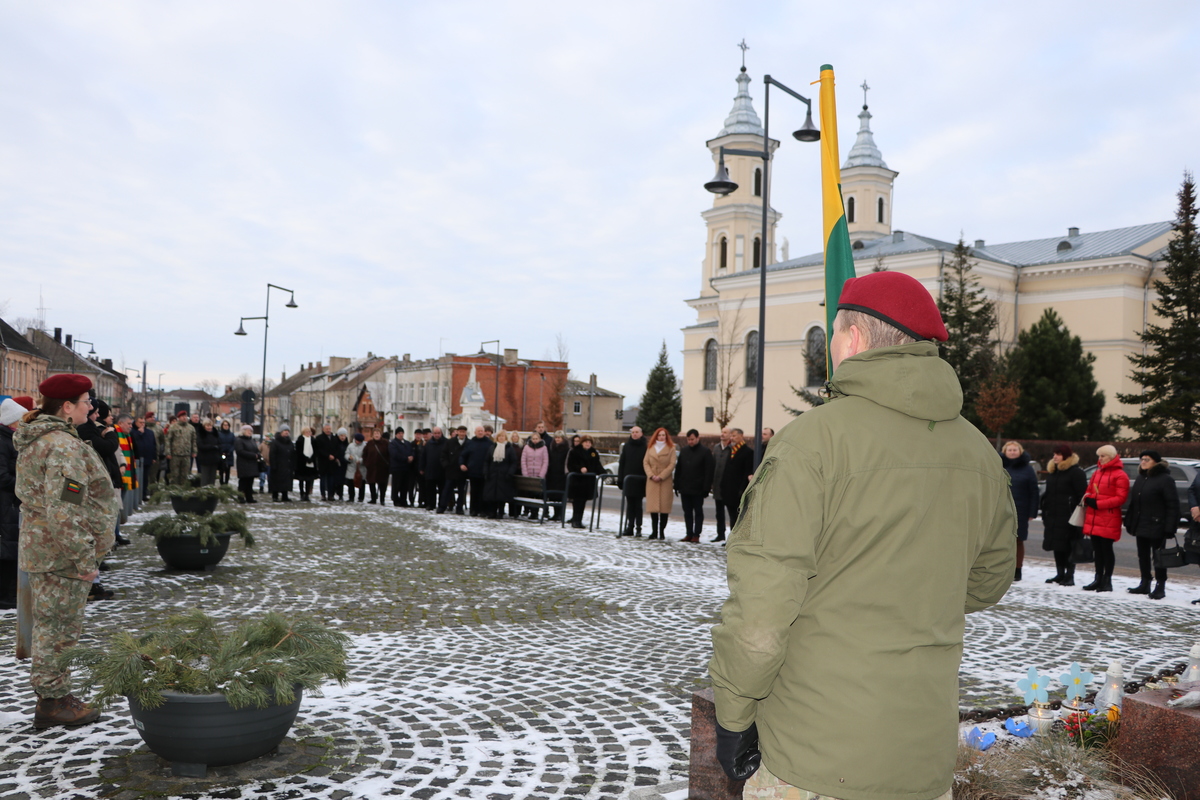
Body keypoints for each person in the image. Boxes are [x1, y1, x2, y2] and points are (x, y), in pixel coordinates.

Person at [709, 270, 1016, 800]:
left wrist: (733, 716)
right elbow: (988, 582)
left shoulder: (812, 443)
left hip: (815, 755)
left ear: (851, 339)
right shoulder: (979, 453)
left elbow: (761, 616)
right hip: (922, 753)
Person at [15, 374, 120, 728]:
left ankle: (56, 694)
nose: (91, 407)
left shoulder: (48, 439)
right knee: (58, 630)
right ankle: (52, 701)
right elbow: (65, 509)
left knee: (53, 626)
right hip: (61, 555)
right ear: (66, 407)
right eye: (86, 401)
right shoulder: (61, 446)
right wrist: (84, 559)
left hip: (49, 550)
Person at [1124, 450, 1179, 599]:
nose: (1143, 462)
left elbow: (1172, 505)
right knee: (1143, 556)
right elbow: (1134, 503)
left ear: (1156, 462)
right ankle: (1145, 582)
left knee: (1159, 557)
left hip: (1157, 525)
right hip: (1141, 523)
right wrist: (1129, 521)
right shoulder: (1142, 478)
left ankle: (1160, 586)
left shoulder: (1165, 479)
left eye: (1147, 459)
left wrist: (1170, 527)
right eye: (1142, 459)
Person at [1082, 444, 1129, 592]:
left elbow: (1120, 498)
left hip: (1108, 517)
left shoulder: (1120, 475)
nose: (1100, 459)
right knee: (1097, 549)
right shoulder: (1097, 473)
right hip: (1094, 516)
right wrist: (1088, 499)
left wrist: (1098, 504)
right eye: (1099, 456)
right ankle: (1098, 578)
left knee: (1106, 549)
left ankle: (1107, 580)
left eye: (1103, 456)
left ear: (1111, 457)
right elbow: (1089, 490)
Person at [1040, 444, 1087, 586]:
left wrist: (1076, 512)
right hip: (1053, 515)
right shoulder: (1053, 473)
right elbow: (1048, 494)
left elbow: (1082, 495)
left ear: (1066, 456)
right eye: (1054, 454)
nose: (1055, 457)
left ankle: (1069, 575)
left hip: (1069, 516)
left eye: (1058, 454)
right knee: (1057, 545)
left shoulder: (1076, 472)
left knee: (1069, 545)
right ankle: (1060, 573)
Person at [0, 397, 29, 609]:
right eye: (22, 420)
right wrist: (22, 486)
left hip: (11, 501)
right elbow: (2, 475)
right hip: (6, 502)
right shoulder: (4, 441)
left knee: (12, 548)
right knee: (7, 549)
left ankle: (9, 593)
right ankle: (4, 596)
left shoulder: (11, 438)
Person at [1000, 441, 1039, 581]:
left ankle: (1017, 570)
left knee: (1018, 541)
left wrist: (1032, 512)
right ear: (1004, 451)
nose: (1012, 452)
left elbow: (1034, 491)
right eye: (1009, 449)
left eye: (1015, 449)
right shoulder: (999, 466)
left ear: (1020, 451)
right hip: (1000, 510)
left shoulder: (1028, 469)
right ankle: (1001, 570)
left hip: (1020, 510)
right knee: (1000, 541)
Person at [675, 429, 715, 544]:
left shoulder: (705, 451)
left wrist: (706, 488)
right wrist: (677, 484)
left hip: (698, 488)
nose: (690, 441)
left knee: (698, 512)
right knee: (687, 512)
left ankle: (696, 534)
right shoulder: (684, 451)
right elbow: (679, 469)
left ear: (698, 438)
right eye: (688, 439)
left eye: (692, 439)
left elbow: (709, 471)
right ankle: (689, 533)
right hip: (685, 487)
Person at [643, 428, 677, 541]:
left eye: (664, 435)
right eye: (659, 435)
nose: (662, 437)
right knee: (653, 507)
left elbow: (672, 464)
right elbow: (646, 462)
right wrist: (651, 475)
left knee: (664, 508)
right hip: (652, 480)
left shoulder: (671, 448)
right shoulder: (650, 447)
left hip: (665, 480)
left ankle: (661, 531)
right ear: (656, 436)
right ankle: (654, 531)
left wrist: (661, 476)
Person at [719, 429, 754, 532]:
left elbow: (746, 472)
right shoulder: (731, 450)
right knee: (732, 517)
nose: (731, 438)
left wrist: (742, 489)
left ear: (741, 436)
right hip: (729, 491)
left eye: (734, 436)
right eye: (731, 436)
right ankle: (732, 538)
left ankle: (737, 540)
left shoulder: (748, 452)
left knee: (738, 518)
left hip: (738, 491)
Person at [566, 435, 604, 528]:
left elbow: (597, 465)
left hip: (588, 482)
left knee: (583, 501)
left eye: (589, 442)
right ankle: (575, 520)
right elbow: (570, 465)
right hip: (577, 481)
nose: (588, 444)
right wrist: (580, 469)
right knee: (577, 501)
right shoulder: (575, 451)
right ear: (582, 442)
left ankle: (579, 520)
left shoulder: (593, 452)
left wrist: (603, 472)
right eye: (586, 442)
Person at [617, 426, 647, 537]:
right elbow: (622, 463)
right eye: (633, 432)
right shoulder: (627, 446)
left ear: (641, 433)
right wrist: (620, 479)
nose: (634, 434)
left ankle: (639, 528)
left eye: (636, 432)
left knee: (638, 505)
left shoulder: (645, 446)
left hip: (640, 480)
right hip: (628, 479)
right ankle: (630, 527)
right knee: (630, 505)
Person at [483, 431, 520, 519]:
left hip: (504, 476)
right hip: (493, 475)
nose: (501, 438)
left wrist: (510, 473)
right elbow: (487, 461)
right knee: (492, 495)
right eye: (499, 436)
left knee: (501, 496)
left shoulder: (509, 448)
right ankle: (492, 512)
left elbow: (513, 462)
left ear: (506, 438)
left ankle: (500, 512)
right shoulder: (492, 447)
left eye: (503, 436)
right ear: (497, 438)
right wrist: (486, 472)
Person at [459, 427, 492, 516]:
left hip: (485, 472)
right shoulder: (470, 443)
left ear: (484, 432)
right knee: (474, 492)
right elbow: (463, 455)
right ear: (475, 432)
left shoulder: (489, 443)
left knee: (483, 492)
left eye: (482, 431)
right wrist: (462, 464)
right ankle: (473, 510)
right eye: (478, 431)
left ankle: (483, 510)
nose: (480, 432)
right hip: (473, 471)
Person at [520, 431, 549, 519]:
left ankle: (535, 513)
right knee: (530, 494)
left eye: (536, 439)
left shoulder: (544, 448)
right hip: (529, 475)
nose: (535, 440)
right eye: (533, 439)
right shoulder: (526, 447)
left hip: (538, 475)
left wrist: (541, 474)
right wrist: (525, 473)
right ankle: (530, 511)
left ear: (539, 439)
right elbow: (523, 461)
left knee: (537, 495)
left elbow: (545, 462)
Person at [164, 409, 196, 485]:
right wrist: (168, 452)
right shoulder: (173, 427)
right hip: (175, 454)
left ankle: (183, 490)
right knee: (175, 475)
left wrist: (194, 451)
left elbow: (193, 440)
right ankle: (174, 491)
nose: (184, 418)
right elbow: (168, 440)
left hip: (186, 454)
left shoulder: (191, 428)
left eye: (185, 416)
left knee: (185, 474)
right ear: (179, 417)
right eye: (182, 416)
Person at [440, 427, 468, 514]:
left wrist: (467, 466)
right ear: (457, 432)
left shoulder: (469, 443)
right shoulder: (450, 442)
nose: (462, 434)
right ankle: (442, 507)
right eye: (460, 432)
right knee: (447, 490)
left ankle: (459, 508)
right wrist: (446, 465)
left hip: (463, 471)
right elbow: (443, 455)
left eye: (463, 432)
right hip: (451, 470)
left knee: (461, 491)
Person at [711, 427, 732, 543]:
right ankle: (720, 534)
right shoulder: (716, 448)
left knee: (731, 512)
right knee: (719, 512)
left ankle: (731, 535)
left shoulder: (732, 448)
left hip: (728, 486)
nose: (722, 434)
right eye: (722, 432)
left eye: (725, 433)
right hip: (717, 485)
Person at [130, 417, 158, 501]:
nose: (142, 424)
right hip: (137, 459)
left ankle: (144, 494)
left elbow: (153, 445)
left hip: (147, 458)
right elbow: (134, 441)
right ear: (135, 423)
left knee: (145, 478)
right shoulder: (133, 432)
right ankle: (136, 496)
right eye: (140, 422)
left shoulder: (149, 432)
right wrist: (139, 433)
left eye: (143, 422)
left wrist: (154, 456)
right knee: (138, 478)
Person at [420, 426, 447, 511]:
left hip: (442, 471)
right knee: (430, 489)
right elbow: (423, 456)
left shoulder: (446, 443)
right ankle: (430, 504)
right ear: (432, 434)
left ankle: (441, 505)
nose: (437, 435)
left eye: (438, 433)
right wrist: (421, 468)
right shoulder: (428, 443)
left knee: (442, 490)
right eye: (435, 433)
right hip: (430, 470)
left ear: (441, 433)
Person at [268, 424, 296, 502]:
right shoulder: (275, 442)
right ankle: (275, 496)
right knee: (276, 481)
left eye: (288, 431)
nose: (286, 433)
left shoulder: (289, 442)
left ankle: (285, 495)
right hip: (278, 465)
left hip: (287, 465)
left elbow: (293, 453)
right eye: (285, 431)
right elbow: (272, 454)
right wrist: (273, 465)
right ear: (281, 432)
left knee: (286, 481)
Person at [233, 424, 260, 503]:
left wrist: (258, 454)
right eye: (248, 431)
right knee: (243, 482)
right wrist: (253, 455)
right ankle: (240, 497)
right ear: (243, 431)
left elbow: (256, 449)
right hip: (243, 464)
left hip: (252, 464)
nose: (250, 432)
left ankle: (249, 497)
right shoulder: (239, 440)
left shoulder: (252, 440)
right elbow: (240, 451)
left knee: (250, 481)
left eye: (251, 431)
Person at [389, 427, 414, 507]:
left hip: (406, 468)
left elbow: (411, 451)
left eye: (402, 433)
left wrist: (412, 457)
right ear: (396, 434)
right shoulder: (393, 443)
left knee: (405, 486)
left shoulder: (407, 443)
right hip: (397, 467)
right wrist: (406, 458)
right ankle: (396, 500)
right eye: (399, 433)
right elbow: (395, 454)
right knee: (396, 485)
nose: (401, 435)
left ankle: (403, 500)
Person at [313, 423, 339, 501]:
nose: (328, 430)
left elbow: (337, 449)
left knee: (331, 480)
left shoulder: (335, 438)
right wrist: (327, 455)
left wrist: (334, 456)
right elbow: (319, 450)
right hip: (323, 462)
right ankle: (323, 495)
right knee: (323, 479)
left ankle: (331, 495)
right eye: (326, 429)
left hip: (332, 463)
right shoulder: (319, 438)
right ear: (323, 429)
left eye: (329, 429)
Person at [364, 429, 390, 504]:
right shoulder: (369, 443)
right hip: (371, 467)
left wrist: (388, 464)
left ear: (380, 434)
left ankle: (382, 499)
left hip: (383, 468)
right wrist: (367, 463)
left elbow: (389, 454)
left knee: (382, 484)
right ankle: (373, 498)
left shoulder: (386, 443)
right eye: (375, 433)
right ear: (373, 435)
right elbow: (365, 454)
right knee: (371, 483)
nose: (376, 435)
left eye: (378, 433)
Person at [294, 426, 318, 502]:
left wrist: (311, 458)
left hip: (311, 463)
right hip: (302, 463)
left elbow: (316, 451)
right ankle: (302, 494)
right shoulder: (300, 440)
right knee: (301, 479)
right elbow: (298, 451)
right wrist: (305, 458)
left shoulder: (313, 440)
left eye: (309, 432)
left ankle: (307, 494)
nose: (308, 433)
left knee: (309, 479)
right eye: (307, 432)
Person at [195, 419, 222, 486]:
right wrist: (212, 447)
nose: (209, 427)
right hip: (205, 459)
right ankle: (204, 492)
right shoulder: (201, 434)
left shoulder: (215, 434)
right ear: (204, 426)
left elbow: (220, 444)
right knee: (205, 477)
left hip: (214, 459)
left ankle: (211, 492)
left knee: (212, 478)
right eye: (207, 425)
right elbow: (201, 446)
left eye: (210, 425)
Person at [344, 432, 367, 502]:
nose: (358, 442)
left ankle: (361, 498)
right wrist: (348, 457)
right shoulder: (350, 446)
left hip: (361, 467)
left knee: (361, 483)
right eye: (357, 440)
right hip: (352, 467)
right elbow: (346, 453)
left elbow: (366, 456)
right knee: (350, 483)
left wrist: (361, 460)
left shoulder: (365, 446)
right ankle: (351, 497)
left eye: (359, 441)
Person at [216, 420, 236, 485]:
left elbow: (234, 444)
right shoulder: (219, 434)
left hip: (229, 455)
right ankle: (221, 483)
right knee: (221, 470)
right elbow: (217, 443)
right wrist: (221, 451)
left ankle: (226, 483)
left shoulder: (231, 435)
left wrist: (230, 451)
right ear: (222, 426)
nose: (226, 426)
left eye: (227, 425)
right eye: (224, 425)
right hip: (221, 454)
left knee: (228, 470)